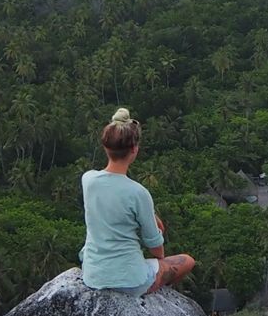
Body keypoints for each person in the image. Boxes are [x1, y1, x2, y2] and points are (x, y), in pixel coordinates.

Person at [79, 108, 194, 297]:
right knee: (187, 261)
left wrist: (151, 214)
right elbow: (156, 248)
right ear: (134, 149)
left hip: (93, 275)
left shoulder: (88, 180)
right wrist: (159, 259)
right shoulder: (138, 193)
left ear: (106, 147)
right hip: (129, 280)